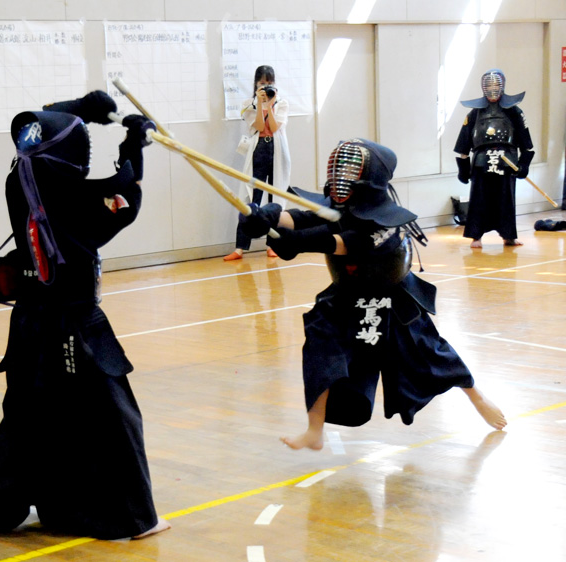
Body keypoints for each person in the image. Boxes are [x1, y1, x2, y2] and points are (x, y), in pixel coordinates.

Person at [0, 91, 171, 540]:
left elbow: (34, 138)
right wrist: (134, 144)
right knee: (117, 418)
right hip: (75, 328)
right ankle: (137, 518)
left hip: (29, 328)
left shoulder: (20, 183)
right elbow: (125, 196)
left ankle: (5, 505)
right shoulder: (79, 204)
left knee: (32, 415)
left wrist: (80, 109)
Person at [239, 139, 507, 451]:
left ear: (371, 176)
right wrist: (267, 216)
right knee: (320, 347)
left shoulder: (386, 223)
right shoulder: (338, 207)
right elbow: (304, 218)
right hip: (346, 296)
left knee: (431, 353)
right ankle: (314, 431)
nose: (342, 173)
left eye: (351, 168)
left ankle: (478, 398)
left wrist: (295, 242)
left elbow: (342, 242)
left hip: (394, 300)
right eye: (340, 167)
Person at [454, 69, 534, 248]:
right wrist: (464, 169)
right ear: (483, 88)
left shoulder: (514, 112)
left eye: (495, 86)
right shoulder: (475, 113)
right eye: (488, 86)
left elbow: (526, 143)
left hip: (507, 161)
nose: (492, 90)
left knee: (506, 200)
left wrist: (523, 165)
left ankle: (508, 236)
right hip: (482, 161)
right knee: (479, 199)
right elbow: (464, 143)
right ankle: (476, 236)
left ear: (502, 86)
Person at [224, 65, 291, 261]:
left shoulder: (282, 103)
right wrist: (261, 105)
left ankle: (273, 245)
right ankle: (240, 248)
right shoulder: (248, 104)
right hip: (258, 150)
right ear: (256, 84)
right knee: (250, 199)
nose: (266, 86)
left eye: (269, 83)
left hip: (277, 152)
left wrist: (269, 105)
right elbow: (260, 127)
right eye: (262, 83)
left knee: (275, 199)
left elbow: (275, 127)